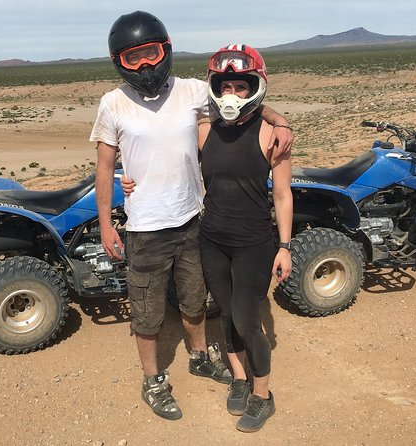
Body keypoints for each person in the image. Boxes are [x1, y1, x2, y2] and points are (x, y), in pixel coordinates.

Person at [91, 11, 294, 421]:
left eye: (151, 54)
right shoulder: (112, 103)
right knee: (147, 311)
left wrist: (279, 119)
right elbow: (104, 166)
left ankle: (203, 358)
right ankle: (154, 380)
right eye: (134, 58)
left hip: (192, 222)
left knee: (195, 302)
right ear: (119, 62)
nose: (145, 65)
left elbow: (242, 101)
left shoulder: (190, 92)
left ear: (165, 50)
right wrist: (107, 220)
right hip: (147, 227)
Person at [198, 44, 293, 432]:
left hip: (254, 242)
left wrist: (285, 246)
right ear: (215, 89)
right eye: (226, 86)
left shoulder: (274, 135)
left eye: (241, 86)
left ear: (255, 85)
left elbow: (283, 194)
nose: (232, 95)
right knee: (225, 313)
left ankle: (263, 395)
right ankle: (239, 377)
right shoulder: (204, 129)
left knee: (249, 320)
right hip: (212, 239)